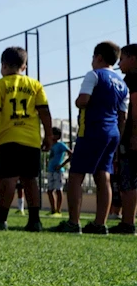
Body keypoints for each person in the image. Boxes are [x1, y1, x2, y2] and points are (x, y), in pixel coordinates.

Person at [54, 41, 128, 234]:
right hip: (113, 133)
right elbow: (123, 116)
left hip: (93, 130)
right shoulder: (122, 84)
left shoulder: (94, 75)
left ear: (98, 58)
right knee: (103, 176)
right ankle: (100, 224)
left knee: (76, 176)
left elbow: (83, 100)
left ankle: (73, 222)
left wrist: (78, 101)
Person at [0, 47, 52, 231]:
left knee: (8, 179)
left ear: (3, 66)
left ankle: (1, 220)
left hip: (9, 138)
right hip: (31, 139)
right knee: (31, 179)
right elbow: (44, 111)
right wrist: (49, 135)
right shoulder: (35, 85)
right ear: (24, 66)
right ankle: (35, 221)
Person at [111, 43, 137, 234]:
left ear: (133, 59)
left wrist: (132, 136)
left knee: (128, 182)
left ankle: (128, 223)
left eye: (122, 59)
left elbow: (134, 109)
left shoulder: (133, 81)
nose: (119, 64)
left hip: (131, 140)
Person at [46, 127, 71, 216]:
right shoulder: (51, 145)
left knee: (58, 190)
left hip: (58, 171)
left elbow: (70, 153)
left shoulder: (61, 145)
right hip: (50, 170)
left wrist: (61, 165)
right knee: (49, 190)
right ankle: (53, 209)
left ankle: (58, 210)